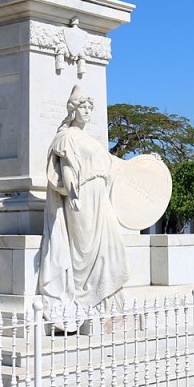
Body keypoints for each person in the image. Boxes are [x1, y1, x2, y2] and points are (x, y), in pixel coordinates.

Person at [38, 85, 128, 330]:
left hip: (100, 196)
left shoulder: (91, 139)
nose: (88, 112)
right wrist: (72, 193)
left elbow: (112, 164)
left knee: (111, 246)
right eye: (83, 107)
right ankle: (86, 297)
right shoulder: (66, 137)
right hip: (82, 196)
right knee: (84, 250)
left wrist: (146, 165)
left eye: (90, 108)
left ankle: (105, 296)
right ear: (73, 111)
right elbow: (66, 168)